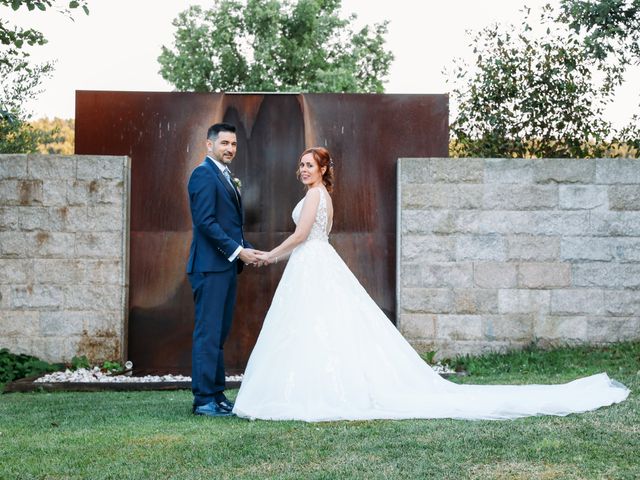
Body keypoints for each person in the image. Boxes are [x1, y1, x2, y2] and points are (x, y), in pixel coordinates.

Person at [232, 146, 629, 422]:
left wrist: (269, 255)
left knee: (317, 327)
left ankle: (320, 393)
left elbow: (302, 235)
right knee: (314, 330)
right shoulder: (317, 195)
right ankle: (311, 387)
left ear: (322, 171)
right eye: (300, 165)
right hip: (313, 264)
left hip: (312, 261)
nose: (303, 170)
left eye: (309, 165)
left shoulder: (318, 196)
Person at [186, 122, 263, 417]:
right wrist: (237, 251)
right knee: (208, 334)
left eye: (233, 145)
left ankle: (216, 395)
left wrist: (246, 248)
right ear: (209, 145)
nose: (230, 149)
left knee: (218, 334)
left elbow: (230, 224)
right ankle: (203, 400)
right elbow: (206, 223)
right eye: (224, 144)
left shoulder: (226, 177)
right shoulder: (203, 175)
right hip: (209, 268)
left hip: (226, 267)